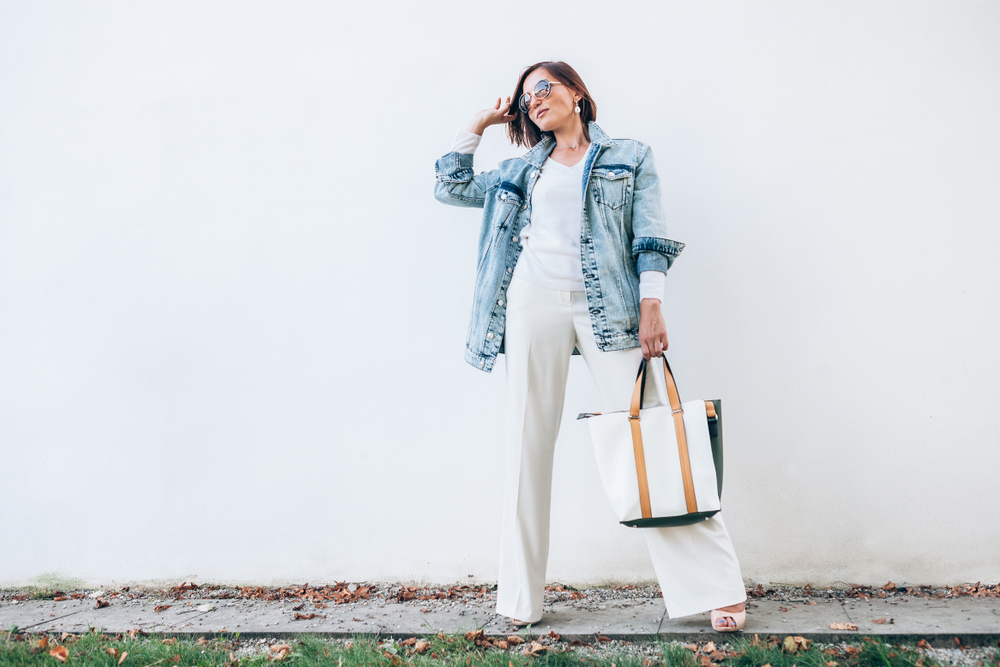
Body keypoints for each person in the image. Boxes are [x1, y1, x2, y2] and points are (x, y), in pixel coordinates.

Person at [433, 61, 747, 633]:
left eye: (544, 87)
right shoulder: (518, 169)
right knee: (527, 444)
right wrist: (478, 124)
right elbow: (449, 187)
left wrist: (652, 303)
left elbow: (650, 234)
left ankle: (715, 588)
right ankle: (520, 599)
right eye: (526, 98)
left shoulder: (629, 156)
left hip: (611, 305)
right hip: (532, 303)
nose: (534, 100)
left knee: (656, 433)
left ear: (576, 92)